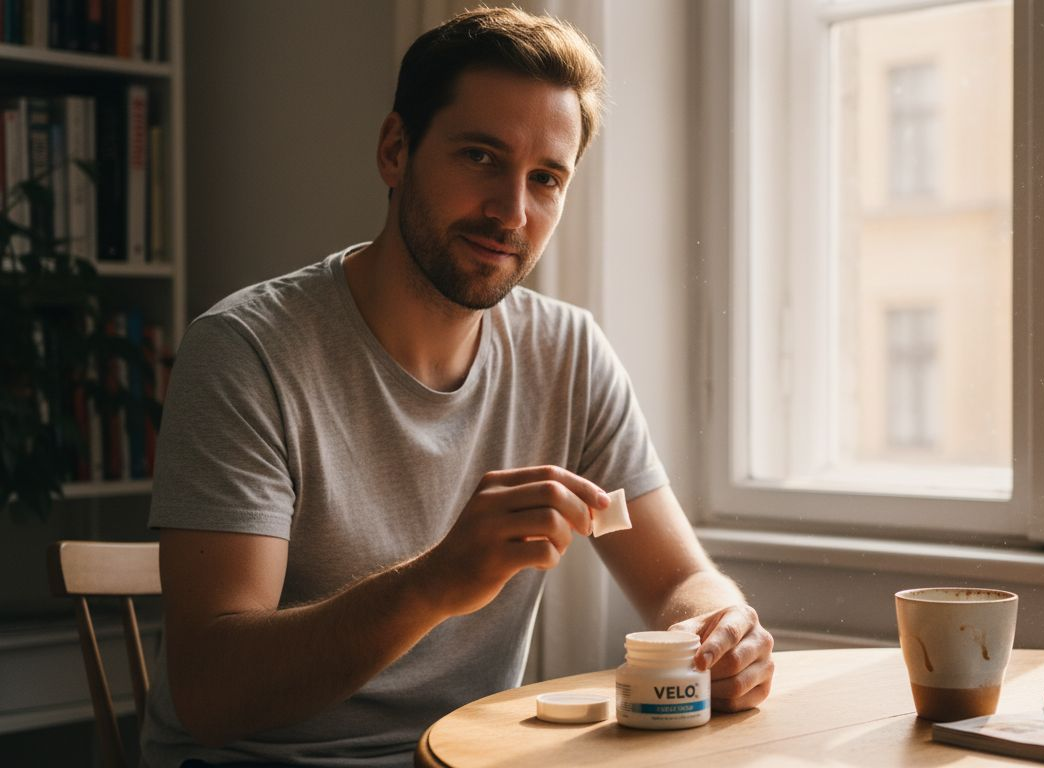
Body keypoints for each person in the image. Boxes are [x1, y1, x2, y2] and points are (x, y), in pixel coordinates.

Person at [141, 7, 774, 767]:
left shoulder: (567, 352)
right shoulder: (246, 352)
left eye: (545, 179)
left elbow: (678, 578)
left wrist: (719, 627)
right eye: (480, 157)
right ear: (394, 150)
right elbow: (211, 692)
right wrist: (435, 582)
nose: (512, 212)